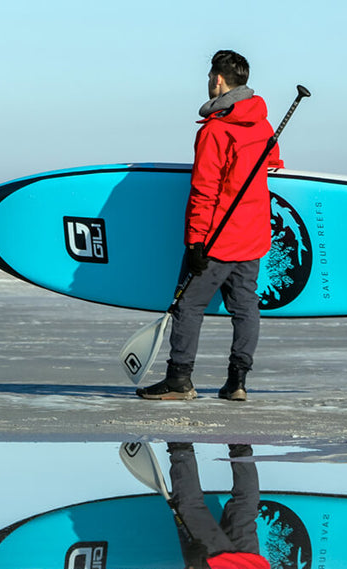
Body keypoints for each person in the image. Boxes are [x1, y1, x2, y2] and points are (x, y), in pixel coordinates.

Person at [138, 50, 283, 401]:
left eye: (210, 77)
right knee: (245, 308)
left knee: (187, 306)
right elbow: (273, 163)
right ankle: (237, 382)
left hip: (219, 238)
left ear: (218, 79)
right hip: (252, 235)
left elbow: (204, 190)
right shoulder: (262, 124)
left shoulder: (215, 132)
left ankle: (179, 380)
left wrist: (195, 242)